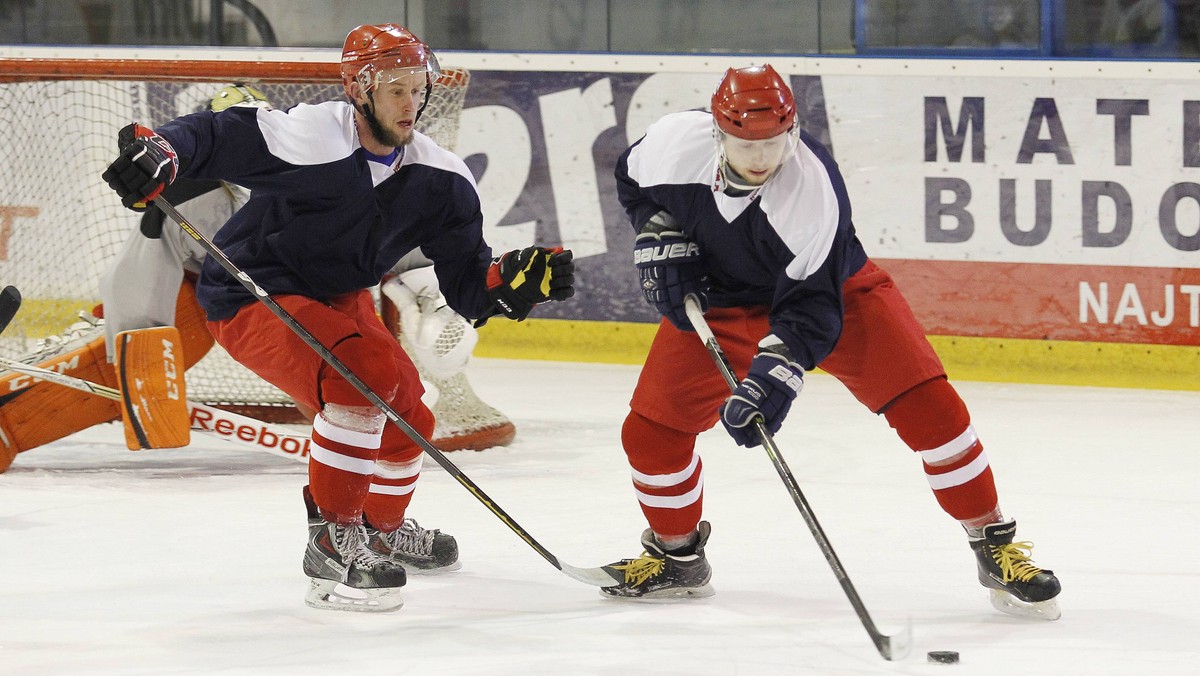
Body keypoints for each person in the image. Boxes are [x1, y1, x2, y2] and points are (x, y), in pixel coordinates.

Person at [101, 23, 575, 612]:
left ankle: (379, 529)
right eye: (395, 88)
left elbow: (469, 286)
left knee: (412, 413)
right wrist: (162, 148)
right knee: (363, 375)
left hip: (340, 296)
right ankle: (333, 539)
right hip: (254, 293)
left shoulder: (442, 179)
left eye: (417, 87)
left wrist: (511, 279)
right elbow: (217, 133)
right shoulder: (313, 135)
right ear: (360, 88)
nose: (411, 103)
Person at [598, 64, 1061, 621]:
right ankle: (676, 557)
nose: (761, 156)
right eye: (746, 142)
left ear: (791, 131)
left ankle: (994, 545)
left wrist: (774, 380)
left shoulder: (811, 189)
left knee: (933, 411)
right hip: (721, 298)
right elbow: (632, 182)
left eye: (773, 141)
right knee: (650, 433)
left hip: (833, 292)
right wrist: (656, 229)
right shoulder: (674, 141)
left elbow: (810, 310)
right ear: (717, 131)